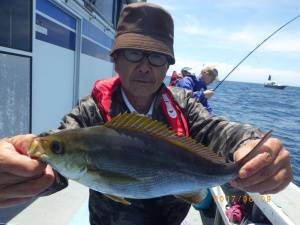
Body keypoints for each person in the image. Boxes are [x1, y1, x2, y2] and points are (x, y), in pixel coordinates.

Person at [0, 3, 293, 225]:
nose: (145, 66)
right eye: (132, 53)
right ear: (115, 60)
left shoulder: (184, 104)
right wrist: (28, 171)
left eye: (156, 57)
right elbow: (58, 170)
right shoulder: (89, 113)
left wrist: (253, 145)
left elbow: (217, 129)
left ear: (167, 67)